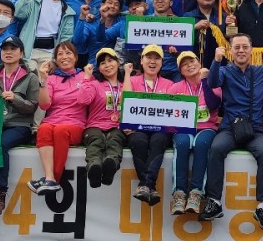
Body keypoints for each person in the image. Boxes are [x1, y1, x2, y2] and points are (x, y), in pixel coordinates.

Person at [200, 34, 263, 231]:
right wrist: (216, 60)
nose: (241, 51)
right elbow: (212, 83)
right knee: (216, 149)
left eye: (245, 47)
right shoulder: (224, 71)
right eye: (237, 47)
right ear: (230, 51)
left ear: (251, 50)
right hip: (230, 127)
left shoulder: (261, 72)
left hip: (256, 128)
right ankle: (214, 201)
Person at [28, 41, 97, 194]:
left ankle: (52, 180)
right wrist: (43, 80)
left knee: (60, 130)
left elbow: (84, 100)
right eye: (60, 54)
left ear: (76, 57)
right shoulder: (52, 78)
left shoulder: (86, 76)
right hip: (53, 121)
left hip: (75, 124)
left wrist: (86, 78)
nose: (64, 57)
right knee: (43, 129)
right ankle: (49, 177)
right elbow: (44, 105)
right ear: (55, 59)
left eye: (68, 53)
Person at [0, 36, 42, 213]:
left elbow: (32, 107)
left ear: (22, 53)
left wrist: (16, 99)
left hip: (19, 125)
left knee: (1, 143)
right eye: (5, 49)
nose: (8, 52)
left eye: (13, 49)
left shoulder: (30, 78)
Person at [169, 51, 221, 215]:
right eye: (184, 64)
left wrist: (205, 81)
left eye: (192, 61)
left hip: (207, 127)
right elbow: (166, 112)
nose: (189, 66)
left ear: (199, 63)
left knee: (202, 143)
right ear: (181, 71)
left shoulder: (213, 82)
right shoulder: (176, 88)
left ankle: (196, 193)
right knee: (182, 143)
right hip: (184, 128)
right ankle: (179, 193)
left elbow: (213, 104)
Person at [124, 45, 175, 205]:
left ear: (162, 62)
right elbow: (126, 101)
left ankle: (145, 184)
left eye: (157, 58)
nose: (152, 62)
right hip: (137, 128)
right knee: (139, 141)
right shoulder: (132, 81)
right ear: (141, 60)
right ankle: (149, 186)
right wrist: (127, 74)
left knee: (158, 140)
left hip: (161, 129)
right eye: (149, 57)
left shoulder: (169, 84)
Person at [83, 48, 129, 188]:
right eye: (103, 63)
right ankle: (94, 166)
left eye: (110, 61)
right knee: (96, 140)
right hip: (95, 125)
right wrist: (87, 77)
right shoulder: (95, 84)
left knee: (115, 140)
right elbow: (83, 99)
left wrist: (127, 74)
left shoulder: (125, 85)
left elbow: (129, 101)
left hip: (117, 126)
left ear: (118, 62)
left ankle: (111, 165)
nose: (107, 65)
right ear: (99, 69)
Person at [17, 0, 76, 69]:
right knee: (30, 77)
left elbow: (66, 38)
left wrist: (55, 60)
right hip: (29, 51)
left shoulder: (67, 11)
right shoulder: (36, 0)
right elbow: (18, 13)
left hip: (50, 54)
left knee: (44, 78)